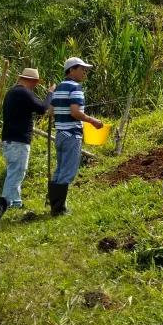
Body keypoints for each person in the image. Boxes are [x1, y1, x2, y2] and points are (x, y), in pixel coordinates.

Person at [48, 57, 103, 216]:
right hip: (72, 134)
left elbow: (51, 112)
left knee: (59, 170)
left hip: (60, 134)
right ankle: (59, 209)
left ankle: (55, 205)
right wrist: (92, 121)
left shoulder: (58, 89)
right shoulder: (75, 88)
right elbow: (75, 112)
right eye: (81, 68)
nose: (84, 72)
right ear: (71, 70)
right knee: (68, 171)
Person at [0, 68, 56, 209]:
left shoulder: (12, 92)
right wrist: (50, 94)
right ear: (32, 81)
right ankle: (4, 204)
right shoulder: (23, 92)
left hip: (11, 138)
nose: (36, 86)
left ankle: (16, 202)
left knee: (16, 171)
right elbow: (42, 108)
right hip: (18, 139)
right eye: (36, 82)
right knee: (16, 172)